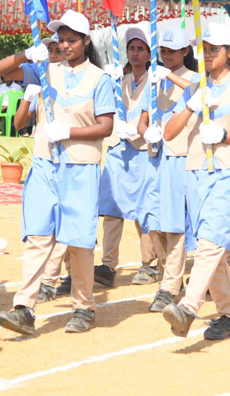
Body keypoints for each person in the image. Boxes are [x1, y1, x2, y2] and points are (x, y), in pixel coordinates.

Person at [0, 10, 115, 334]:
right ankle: (24, 307)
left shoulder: (99, 79)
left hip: (80, 167)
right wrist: (26, 54)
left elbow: (105, 126)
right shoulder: (44, 70)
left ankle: (83, 306)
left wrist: (68, 132)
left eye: (71, 40)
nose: (64, 45)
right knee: (38, 235)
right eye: (61, 40)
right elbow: (1, 69)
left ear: (85, 41)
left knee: (78, 242)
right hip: (45, 164)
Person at [161, 22, 230, 341]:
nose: (207, 55)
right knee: (211, 245)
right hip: (197, 172)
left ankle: (188, 307)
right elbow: (169, 133)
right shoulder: (194, 88)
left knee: (209, 242)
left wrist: (225, 134)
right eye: (204, 50)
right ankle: (229, 315)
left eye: (214, 50)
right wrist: (191, 106)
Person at [0, 37, 76, 305]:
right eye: (48, 50)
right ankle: (51, 280)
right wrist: (26, 57)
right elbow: (19, 122)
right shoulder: (41, 75)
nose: (53, 55)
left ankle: (56, 278)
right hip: (44, 160)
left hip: (71, 162)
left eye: (57, 50)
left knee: (66, 222)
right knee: (43, 224)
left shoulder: (78, 78)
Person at [136, 27, 199, 313]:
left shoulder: (194, 78)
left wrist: (167, 75)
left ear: (185, 51)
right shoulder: (154, 81)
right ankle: (170, 277)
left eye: (173, 51)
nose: (167, 55)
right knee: (153, 222)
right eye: (163, 50)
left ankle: (170, 285)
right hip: (156, 157)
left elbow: (197, 92)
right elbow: (143, 118)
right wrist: (145, 131)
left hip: (182, 156)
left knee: (176, 225)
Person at [97, 26, 159, 287]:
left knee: (143, 210)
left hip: (143, 150)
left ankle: (149, 264)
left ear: (149, 54)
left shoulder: (155, 82)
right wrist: (105, 79)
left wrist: (134, 129)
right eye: (131, 48)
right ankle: (108, 265)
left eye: (140, 49)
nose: (135, 53)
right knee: (112, 208)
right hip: (117, 149)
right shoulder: (117, 82)